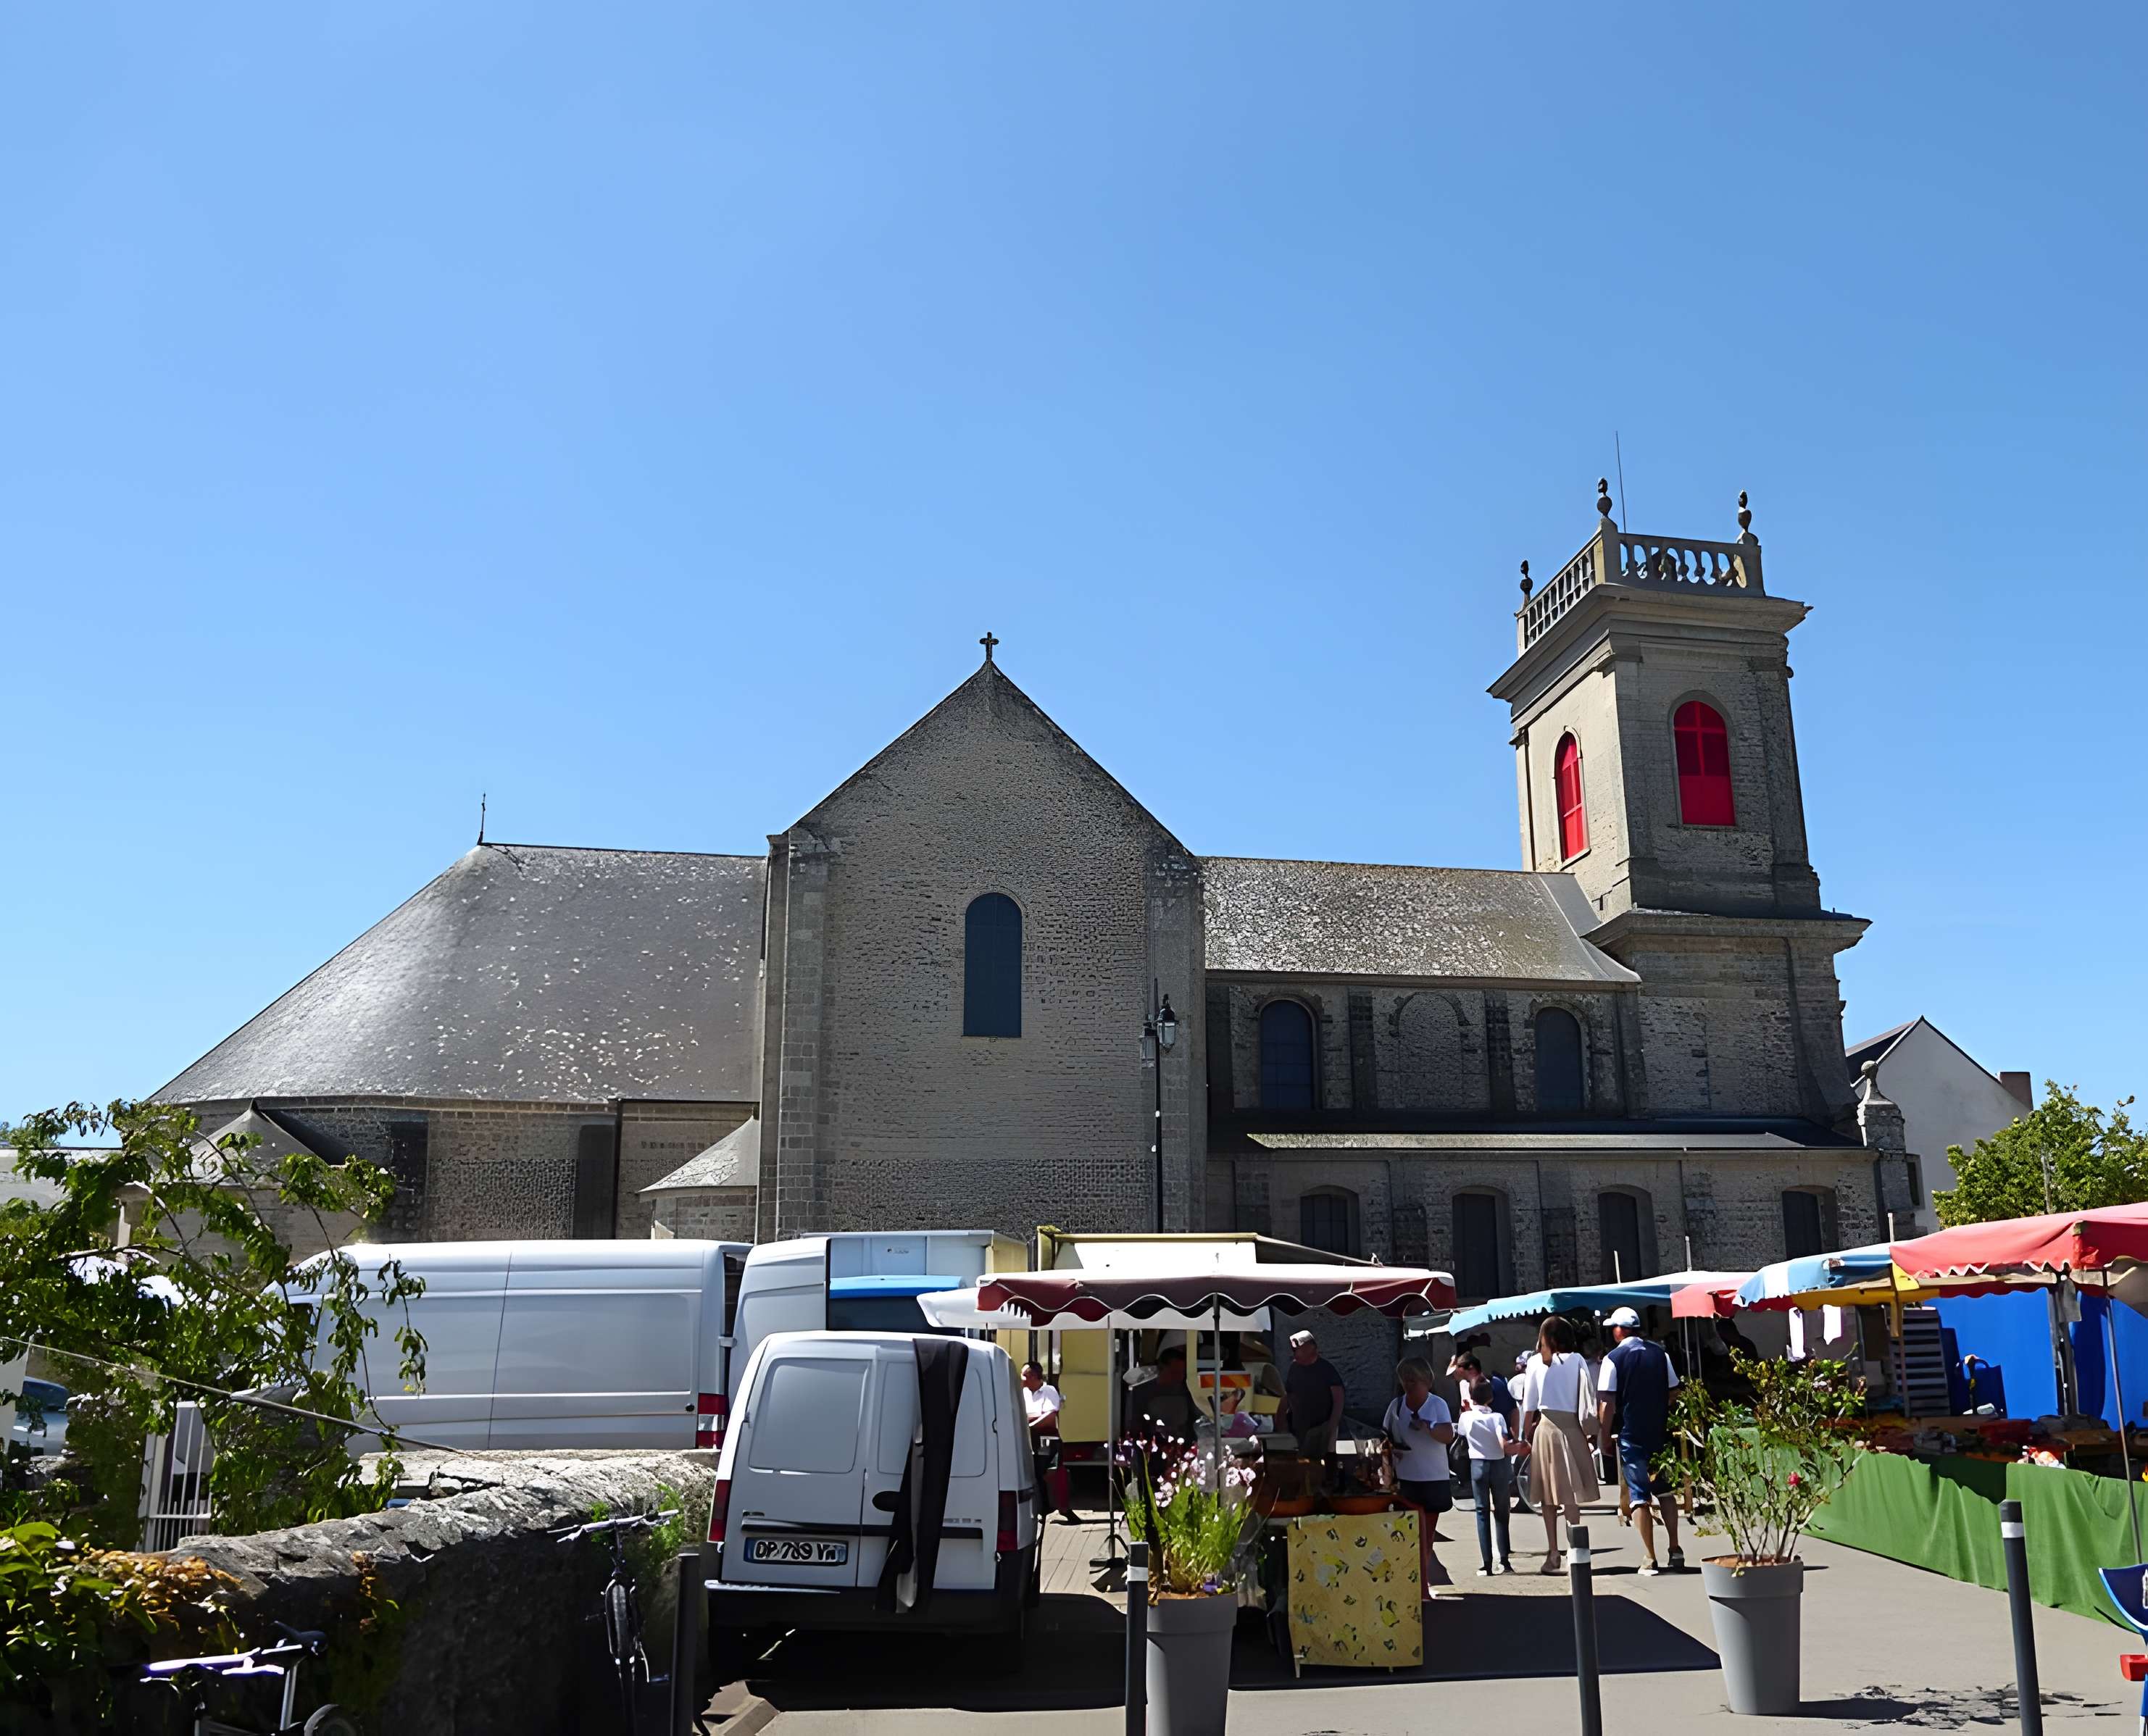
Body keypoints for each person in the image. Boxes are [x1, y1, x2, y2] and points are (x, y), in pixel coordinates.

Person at [1598, 1307, 1685, 1574]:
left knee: (1639, 1497)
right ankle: (1675, 1548)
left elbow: (1607, 1403)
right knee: (1666, 1491)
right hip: (1658, 1431)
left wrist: (1603, 1438)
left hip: (1631, 1434)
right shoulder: (1661, 1354)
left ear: (1620, 1330)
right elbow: (1674, 1391)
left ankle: (1649, 1556)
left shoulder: (1612, 1359)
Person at [1516, 1315, 1599, 1573]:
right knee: (1570, 1493)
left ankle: (1553, 1554)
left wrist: (1522, 1435)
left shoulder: (1534, 1363)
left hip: (1546, 1428)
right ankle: (1577, 1551)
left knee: (1548, 1497)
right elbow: (1589, 1394)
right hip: (1572, 1427)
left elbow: (1529, 1406)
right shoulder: (1577, 1361)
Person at [1381, 1357, 1455, 1544]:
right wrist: (1390, 1451)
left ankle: (1425, 1571)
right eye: (1405, 1379)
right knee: (1406, 1536)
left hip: (1433, 1480)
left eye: (1413, 1380)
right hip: (1405, 1480)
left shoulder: (1437, 1404)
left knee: (1426, 1536)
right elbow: (1384, 1438)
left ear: (1426, 1381)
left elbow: (1448, 1435)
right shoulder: (1396, 1406)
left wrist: (1428, 1426)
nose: (1408, 1385)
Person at [1457, 1378, 1516, 1576]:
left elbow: (1461, 1434)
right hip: (1498, 1463)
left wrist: (1465, 1410)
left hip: (1478, 1464)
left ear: (1471, 1397)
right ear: (1491, 1397)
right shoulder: (1498, 1417)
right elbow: (1503, 1438)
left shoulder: (1467, 1418)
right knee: (1501, 1511)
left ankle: (1486, 1563)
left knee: (1482, 1512)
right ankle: (1505, 1559)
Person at [1020, 1360, 1078, 1523]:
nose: (1021, 1378)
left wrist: (1028, 1424)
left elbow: (1050, 1417)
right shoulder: (1023, 1393)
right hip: (1030, 1440)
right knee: (1035, 1475)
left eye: (1023, 1375)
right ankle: (1043, 1508)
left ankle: (1064, 1509)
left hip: (1049, 1441)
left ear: (1032, 1376)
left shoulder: (1049, 1391)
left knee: (1053, 1475)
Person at [1279, 1330, 1346, 1457]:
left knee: (1319, 1465)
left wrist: (1332, 1426)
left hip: (1320, 1427)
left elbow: (1339, 1399)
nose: (1294, 1352)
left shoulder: (1326, 1369)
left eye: (1298, 1349)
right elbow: (1288, 1396)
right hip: (1298, 1428)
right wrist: (1282, 1422)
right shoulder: (1294, 1369)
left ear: (1311, 1348)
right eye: (1294, 1349)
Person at [1127, 1344, 1201, 1443]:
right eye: (1174, 1372)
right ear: (1161, 1368)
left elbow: (1196, 1418)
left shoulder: (1186, 1390)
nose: (1180, 1377)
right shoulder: (1143, 1391)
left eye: (1182, 1372)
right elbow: (1134, 1423)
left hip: (1183, 1445)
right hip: (1152, 1445)